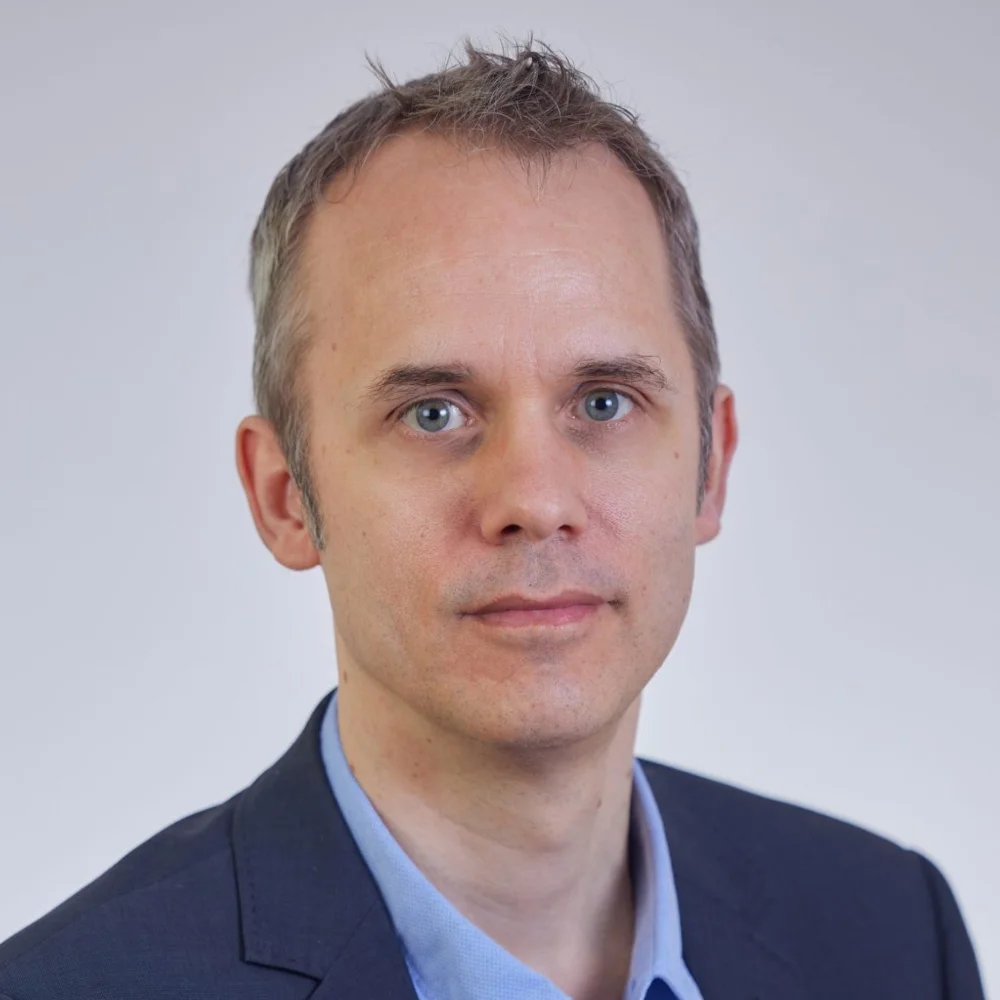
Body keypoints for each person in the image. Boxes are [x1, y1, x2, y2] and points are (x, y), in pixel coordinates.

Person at [0, 38, 985, 1000]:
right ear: (284, 495)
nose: (535, 502)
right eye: (433, 412)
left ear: (710, 466)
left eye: (605, 401)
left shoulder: (892, 935)